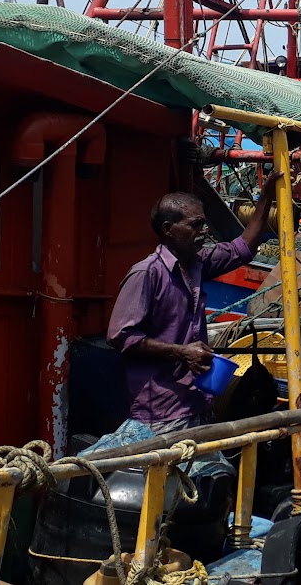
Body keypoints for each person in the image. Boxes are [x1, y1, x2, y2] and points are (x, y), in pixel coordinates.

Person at [93, 176, 278, 463]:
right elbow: (121, 336)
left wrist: (266, 197)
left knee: (209, 485)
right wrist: (182, 353)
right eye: (195, 225)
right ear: (169, 229)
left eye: (203, 224)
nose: (203, 231)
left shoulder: (198, 263)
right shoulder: (147, 274)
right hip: (161, 413)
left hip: (197, 404)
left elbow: (244, 247)